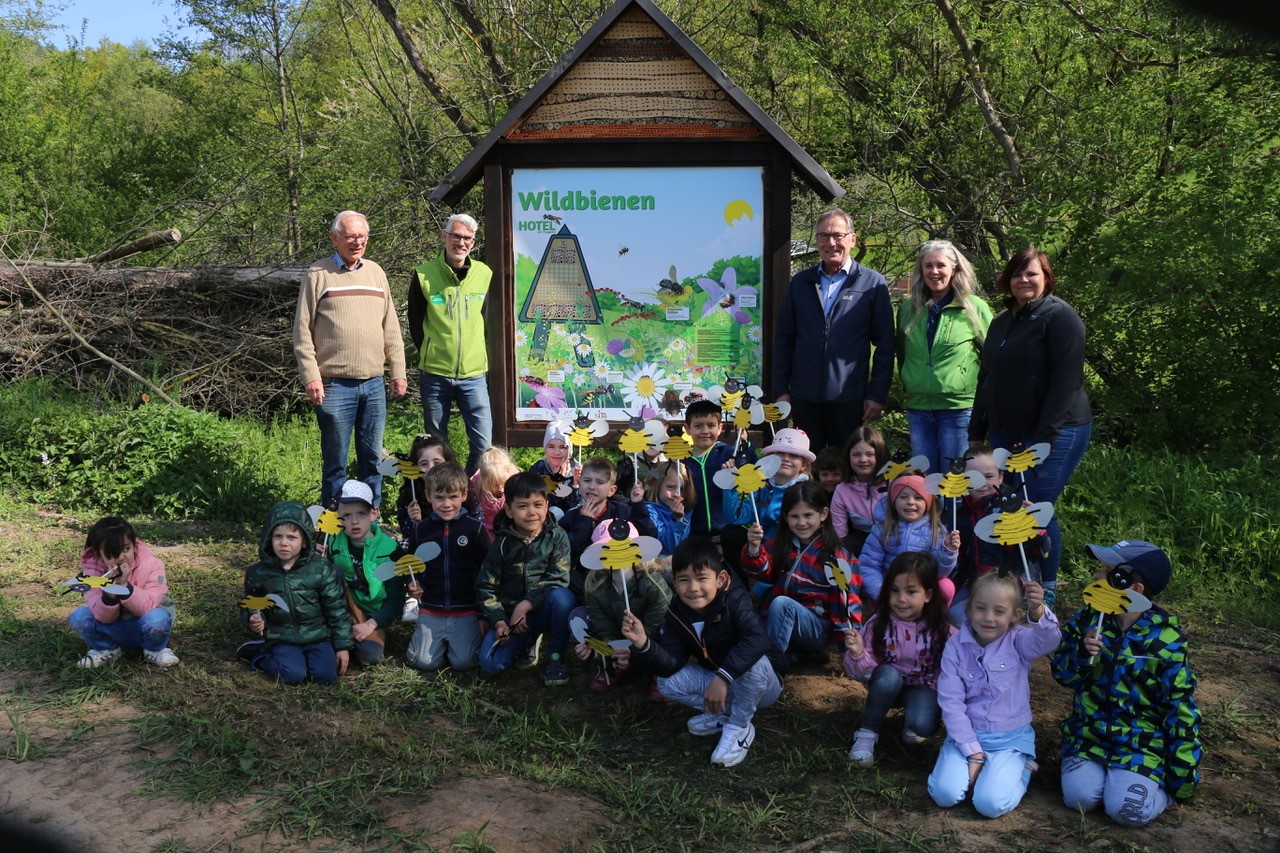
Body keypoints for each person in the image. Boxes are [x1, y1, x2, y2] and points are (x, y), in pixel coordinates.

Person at [969, 248, 1092, 608]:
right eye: (1017, 274)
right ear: (1008, 279)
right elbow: (987, 377)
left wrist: (1043, 439)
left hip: (1056, 432)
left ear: (1046, 278)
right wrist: (978, 427)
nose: (1024, 280)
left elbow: (1065, 384)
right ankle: (1023, 583)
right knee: (1017, 507)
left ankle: (1045, 591)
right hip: (1009, 433)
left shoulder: (1061, 318)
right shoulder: (1003, 321)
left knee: (1035, 506)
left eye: (1032, 274)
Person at [1052, 541, 1201, 826]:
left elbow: (1180, 708)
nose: (1096, 576)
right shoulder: (1088, 619)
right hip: (1089, 739)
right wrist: (1081, 655)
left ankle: (1159, 791)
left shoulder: (1165, 642)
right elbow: (1062, 675)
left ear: (1135, 590)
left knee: (1126, 811)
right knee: (1078, 799)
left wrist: (1182, 778)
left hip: (1140, 746)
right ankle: (1101, 778)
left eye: (1108, 572)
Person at [623, 539, 785, 768]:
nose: (693, 588)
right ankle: (725, 713)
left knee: (755, 665)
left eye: (702, 578)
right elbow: (671, 663)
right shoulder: (676, 612)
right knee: (667, 682)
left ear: (719, 579)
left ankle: (739, 726)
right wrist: (643, 643)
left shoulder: (734, 597)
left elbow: (758, 639)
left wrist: (723, 677)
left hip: (764, 685)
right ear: (674, 583)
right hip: (722, 680)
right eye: (683, 580)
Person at [294, 210, 407, 507]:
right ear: (334, 238)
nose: (357, 242)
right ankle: (331, 531)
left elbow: (391, 327)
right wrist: (311, 376)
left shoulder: (376, 273)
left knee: (372, 461)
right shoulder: (318, 274)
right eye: (350, 236)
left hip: (373, 383)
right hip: (333, 385)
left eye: (362, 237)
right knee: (336, 464)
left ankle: (370, 524)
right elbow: (302, 331)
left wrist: (398, 371)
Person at [927, 572, 1060, 818]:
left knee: (989, 805)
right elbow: (951, 701)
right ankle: (978, 767)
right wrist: (971, 750)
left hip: (1008, 741)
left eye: (999, 611)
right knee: (944, 795)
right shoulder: (955, 646)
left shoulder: (1019, 641)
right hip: (965, 735)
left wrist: (1038, 611)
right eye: (980, 608)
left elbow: (1048, 641)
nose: (988, 618)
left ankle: (1024, 769)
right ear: (968, 610)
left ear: (1014, 616)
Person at [773, 208, 894, 454]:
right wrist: (781, 391)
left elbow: (885, 344)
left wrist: (877, 393)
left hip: (850, 398)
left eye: (837, 235)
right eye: (823, 236)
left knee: (847, 469)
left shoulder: (872, 283)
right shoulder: (801, 283)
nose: (831, 243)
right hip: (804, 397)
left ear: (852, 239)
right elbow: (784, 339)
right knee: (808, 468)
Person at [844, 553, 955, 764]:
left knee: (922, 726)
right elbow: (860, 673)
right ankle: (867, 732)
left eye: (911, 591)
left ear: (928, 595)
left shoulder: (942, 630)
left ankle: (914, 718)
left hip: (923, 687)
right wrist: (858, 653)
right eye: (895, 591)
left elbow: (956, 662)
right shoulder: (878, 624)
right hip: (887, 685)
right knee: (888, 676)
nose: (901, 599)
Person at [897, 240, 993, 474]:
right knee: (925, 480)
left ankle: (956, 512)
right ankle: (931, 513)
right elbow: (902, 353)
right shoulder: (908, 309)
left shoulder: (973, 307)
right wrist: (910, 381)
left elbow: (993, 355)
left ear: (954, 269)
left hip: (958, 408)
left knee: (955, 480)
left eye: (941, 265)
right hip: (918, 408)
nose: (934, 271)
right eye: (928, 265)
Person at [408, 213, 492, 474]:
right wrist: (432, 350)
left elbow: (488, 320)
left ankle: (466, 492)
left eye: (467, 238)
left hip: (474, 374)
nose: (461, 242)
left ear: (474, 242)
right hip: (434, 373)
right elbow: (415, 322)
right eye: (456, 236)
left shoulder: (485, 273)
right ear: (444, 237)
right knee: (435, 448)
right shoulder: (424, 274)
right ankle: (442, 497)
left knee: (483, 444)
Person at [475, 472, 576, 685]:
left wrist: (526, 604)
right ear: (509, 511)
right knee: (490, 664)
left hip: (542, 609)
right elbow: (486, 587)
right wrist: (499, 621)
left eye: (537, 505)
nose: (531, 512)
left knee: (563, 597)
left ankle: (555, 659)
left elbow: (557, 578)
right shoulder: (501, 545)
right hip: (510, 617)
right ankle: (526, 640)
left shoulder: (557, 536)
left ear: (547, 506)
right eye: (522, 506)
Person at [743, 481, 861, 661]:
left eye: (808, 515)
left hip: (816, 627)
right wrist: (754, 548)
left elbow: (845, 600)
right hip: (778, 619)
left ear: (823, 514)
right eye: (794, 516)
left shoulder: (835, 555)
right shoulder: (782, 543)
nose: (802, 523)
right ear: (785, 517)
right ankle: (797, 656)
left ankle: (770, 663)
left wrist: (847, 644)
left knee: (782, 604)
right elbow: (762, 573)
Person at [237, 502, 353, 685]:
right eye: (277, 536)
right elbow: (251, 605)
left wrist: (342, 647)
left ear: (305, 540)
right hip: (281, 636)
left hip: (317, 636)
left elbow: (336, 609)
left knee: (325, 676)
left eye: (292, 537)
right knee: (292, 674)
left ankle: (315, 659)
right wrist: (253, 619)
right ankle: (259, 655)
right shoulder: (258, 573)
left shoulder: (321, 569)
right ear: (268, 538)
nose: (284, 543)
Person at [405, 463, 491, 672]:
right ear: (428, 496)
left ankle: (457, 642)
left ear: (463, 495)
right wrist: (411, 583)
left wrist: (482, 614)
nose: (446, 504)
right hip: (431, 609)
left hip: (466, 609)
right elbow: (411, 566)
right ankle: (434, 643)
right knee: (422, 662)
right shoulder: (421, 530)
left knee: (465, 663)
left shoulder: (475, 529)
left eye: (453, 497)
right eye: (440, 497)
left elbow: (487, 572)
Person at [950, 448, 1047, 625]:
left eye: (989, 476)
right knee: (952, 613)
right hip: (978, 584)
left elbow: (1040, 553)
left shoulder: (1013, 509)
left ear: (1001, 477)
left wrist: (1036, 530)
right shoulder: (961, 515)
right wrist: (950, 587)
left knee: (986, 622)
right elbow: (961, 561)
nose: (982, 484)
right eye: (973, 477)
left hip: (1014, 587)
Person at [573, 520, 673, 692]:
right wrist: (616, 650)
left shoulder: (653, 585)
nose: (617, 556)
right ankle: (612, 665)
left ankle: (661, 673)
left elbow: (656, 625)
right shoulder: (596, 588)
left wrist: (634, 649)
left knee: (668, 628)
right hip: (619, 640)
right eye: (608, 551)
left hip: (651, 641)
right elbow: (604, 627)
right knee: (578, 617)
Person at [67, 517, 178, 669]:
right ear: (99, 555)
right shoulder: (92, 575)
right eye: (111, 553)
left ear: (134, 545)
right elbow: (103, 617)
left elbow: (146, 607)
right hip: (112, 627)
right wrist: (110, 593)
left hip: (143, 624)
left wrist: (125, 586)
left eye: (126, 549)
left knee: (158, 617)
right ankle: (106, 648)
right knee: (78, 617)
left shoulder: (153, 565)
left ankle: (155, 649)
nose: (120, 557)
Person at [327, 479, 405, 666]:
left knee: (370, 657)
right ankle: (338, 634)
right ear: (338, 517)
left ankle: (359, 635)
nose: (354, 521)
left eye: (361, 514)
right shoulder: (331, 543)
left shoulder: (390, 549)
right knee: (331, 571)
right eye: (346, 515)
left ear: (373, 514)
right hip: (343, 608)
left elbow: (396, 600)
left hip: (373, 614)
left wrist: (372, 624)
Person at [559, 456, 658, 601]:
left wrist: (638, 506)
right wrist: (584, 522)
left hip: (620, 577)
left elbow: (649, 535)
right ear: (579, 483)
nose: (592, 486)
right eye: (587, 480)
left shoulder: (622, 512)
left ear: (611, 490)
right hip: (584, 582)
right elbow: (569, 553)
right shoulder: (571, 517)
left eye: (599, 482)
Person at [722, 427, 813, 576]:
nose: (786, 458)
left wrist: (764, 586)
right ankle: (739, 586)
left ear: (804, 465)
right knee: (730, 533)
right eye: (780, 453)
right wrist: (729, 485)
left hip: (790, 553)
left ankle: (772, 582)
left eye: (794, 455)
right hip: (761, 546)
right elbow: (736, 517)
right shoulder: (762, 485)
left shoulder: (805, 492)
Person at [857, 474, 959, 605]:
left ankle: (934, 618)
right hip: (889, 591)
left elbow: (939, 572)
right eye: (903, 497)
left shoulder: (936, 531)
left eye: (918, 497)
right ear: (894, 502)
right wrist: (881, 593)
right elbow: (868, 565)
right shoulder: (882, 529)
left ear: (927, 503)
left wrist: (948, 552)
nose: (910, 502)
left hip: (919, 593)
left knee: (946, 586)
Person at [681, 399, 752, 539]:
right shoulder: (681, 461)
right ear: (688, 429)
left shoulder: (729, 454)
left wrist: (744, 444)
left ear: (720, 428)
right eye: (698, 426)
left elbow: (752, 466)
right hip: (692, 534)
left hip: (725, 533)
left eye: (711, 425)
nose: (705, 431)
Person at [830, 426, 888, 557]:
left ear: (880, 455)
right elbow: (839, 533)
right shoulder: (842, 490)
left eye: (870, 454)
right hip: (863, 540)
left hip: (894, 537)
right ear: (848, 458)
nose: (863, 459)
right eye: (856, 454)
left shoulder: (892, 482)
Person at [395, 432, 457, 541]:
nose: (431, 468)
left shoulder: (460, 488)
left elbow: (475, 524)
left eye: (437, 463)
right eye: (424, 464)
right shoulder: (409, 497)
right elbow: (409, 539)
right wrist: (415, 522)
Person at [642, 460, 694, 556]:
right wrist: (677, 520)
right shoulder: (649, 511)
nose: (676, 494)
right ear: (657, 485)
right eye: (670, 487)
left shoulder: (684, 509)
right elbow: (667, 549)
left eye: (681, 489)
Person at [528, 421, 580, 514]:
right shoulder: (538, 470)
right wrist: (557, 480)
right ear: (545, 448)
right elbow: (543, 502)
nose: (557, 452)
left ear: (570, 449)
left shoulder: (576, 469)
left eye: (563, 447)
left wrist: (576, 484)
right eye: (551, 447)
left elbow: (574, 506)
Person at [469, 445, 520, 538]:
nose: (500, 488)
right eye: (493, 484)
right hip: (487, 527)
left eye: (503, 483)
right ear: (483, 479)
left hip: (510, 526)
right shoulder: (475, 486)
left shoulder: (515, 481)